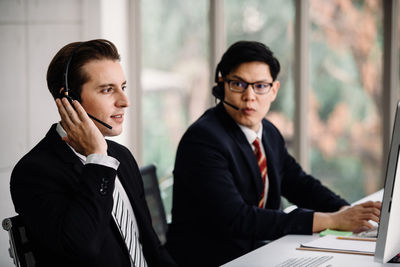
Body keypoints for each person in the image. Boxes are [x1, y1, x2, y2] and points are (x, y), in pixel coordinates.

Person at [165, 40, 381, 267]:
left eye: (260, 86)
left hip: (256, 254)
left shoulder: (267, 131)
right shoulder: (203, 139)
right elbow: (238, 219)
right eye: (238, 84)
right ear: (222, 85)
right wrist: (332, 220)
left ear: (274, 90)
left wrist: (344, 210)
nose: (249, 96)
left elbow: (298, 183)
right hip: (212, 261)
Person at [10, 39, 177, 267]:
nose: (124, 101)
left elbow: (152, 247)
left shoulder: (122, 156)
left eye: (123, 87)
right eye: (107, 90)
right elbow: (81, 247)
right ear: (69, 99)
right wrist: (97, 159)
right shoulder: (34, 172)